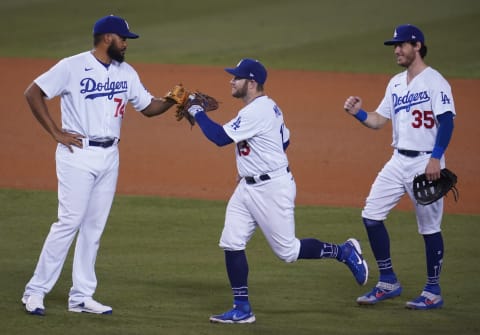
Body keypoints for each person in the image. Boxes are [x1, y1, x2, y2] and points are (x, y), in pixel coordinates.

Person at [184, 58, 369, 324]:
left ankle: (344, 252)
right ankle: (242, 309)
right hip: (247, 186)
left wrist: (198, 112)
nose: (231, 81)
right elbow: (285, 140)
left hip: (272, 188)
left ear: (252, 83)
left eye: (236, 77)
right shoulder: (267, 107)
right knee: (231, 242)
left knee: (288, 252)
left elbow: (220, 138)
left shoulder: (257, 111)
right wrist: (254, 164)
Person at [21, 15, 177, 316]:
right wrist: (55, 131)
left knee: (93, 228)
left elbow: (148, 108)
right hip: (77, 153)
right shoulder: (72, 66)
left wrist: (173, 99)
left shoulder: (127, 72)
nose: (126, 44)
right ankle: (35, 290)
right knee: (68, 222)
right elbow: (33, 92)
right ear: (107, 38)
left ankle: (81, 296)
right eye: (123, 39)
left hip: (110, 156)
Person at [343, 24, 455, 310]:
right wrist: (358, 114)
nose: (396, 50)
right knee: (371, 215)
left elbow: (447, 121)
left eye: (401, 44)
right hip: (398, 161)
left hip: (426, 161)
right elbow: (379, 120)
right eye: (395, 45)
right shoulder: (395, 83)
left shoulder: (436, 81)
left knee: (429, 228)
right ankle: (388, 280)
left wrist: (435, 158)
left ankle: (433, 290)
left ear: (417, 46)